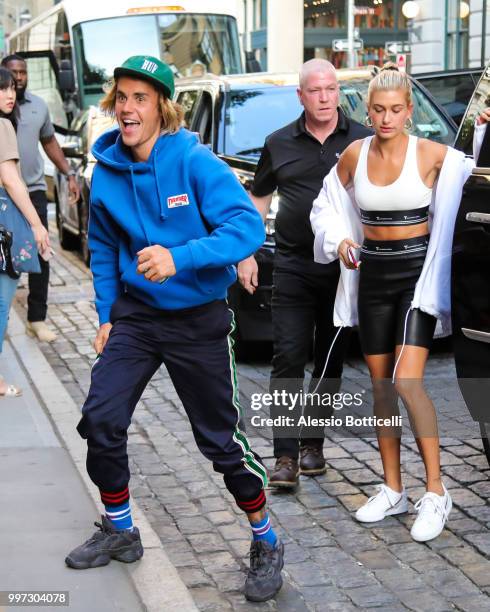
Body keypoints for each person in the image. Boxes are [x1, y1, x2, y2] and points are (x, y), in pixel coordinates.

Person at [64, 55, 284, 603]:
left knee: (219, 442)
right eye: (122, 97)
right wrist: (107, 317)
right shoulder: (106, 170)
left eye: (140, 98)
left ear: (162, 107)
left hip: (197, 320)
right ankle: (120, 528)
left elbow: (247, 227)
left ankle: (266, 538)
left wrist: (179, 257)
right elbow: (104, 247)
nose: (128, 108)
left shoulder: (195, 161)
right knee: (100, 418)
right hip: (137, 318)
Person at [311, 63, 489, 542]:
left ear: (409, 111)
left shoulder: (432, 154)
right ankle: (393, 489)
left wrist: (484, 131)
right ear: (367, 111)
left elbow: (478, 176)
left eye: (396, 109)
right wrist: (341, 240)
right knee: (381, 389)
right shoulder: (352, 155)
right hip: (372, 281)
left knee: (407, 382)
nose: (387, 118)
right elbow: (325, 204)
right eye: (378, 110)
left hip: (418, 281)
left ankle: (436, 490)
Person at [238, 59, 372, 487]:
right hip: (292, 266)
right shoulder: (278, 143)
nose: (325, 97)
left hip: (343, 270)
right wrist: (246, 253)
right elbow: (257, 200)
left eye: (331, 89)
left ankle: (313, 444)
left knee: (330, 361)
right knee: (288, 359)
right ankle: (285, 456)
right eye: (315, 90)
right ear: (301, 96)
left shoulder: (362, 140)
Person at [1, 54, 80, 343]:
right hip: (7, 195)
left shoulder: (37, 107)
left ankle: (36, 318)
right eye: (13, 74)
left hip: (32, 190)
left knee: (41, 256)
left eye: (22, 73)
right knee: (8, 258)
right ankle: (5, 316)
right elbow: (9, 176)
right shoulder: (3, 116)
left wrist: (69, 172)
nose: (19, 79)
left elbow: (49, 141)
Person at [0, 67, 50, 395]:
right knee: (2, 302)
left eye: (11, 89)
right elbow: (11, 179)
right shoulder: (2, 125)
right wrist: (36, 224)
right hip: (4, 227)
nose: (10, 95)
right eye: (2, 89)